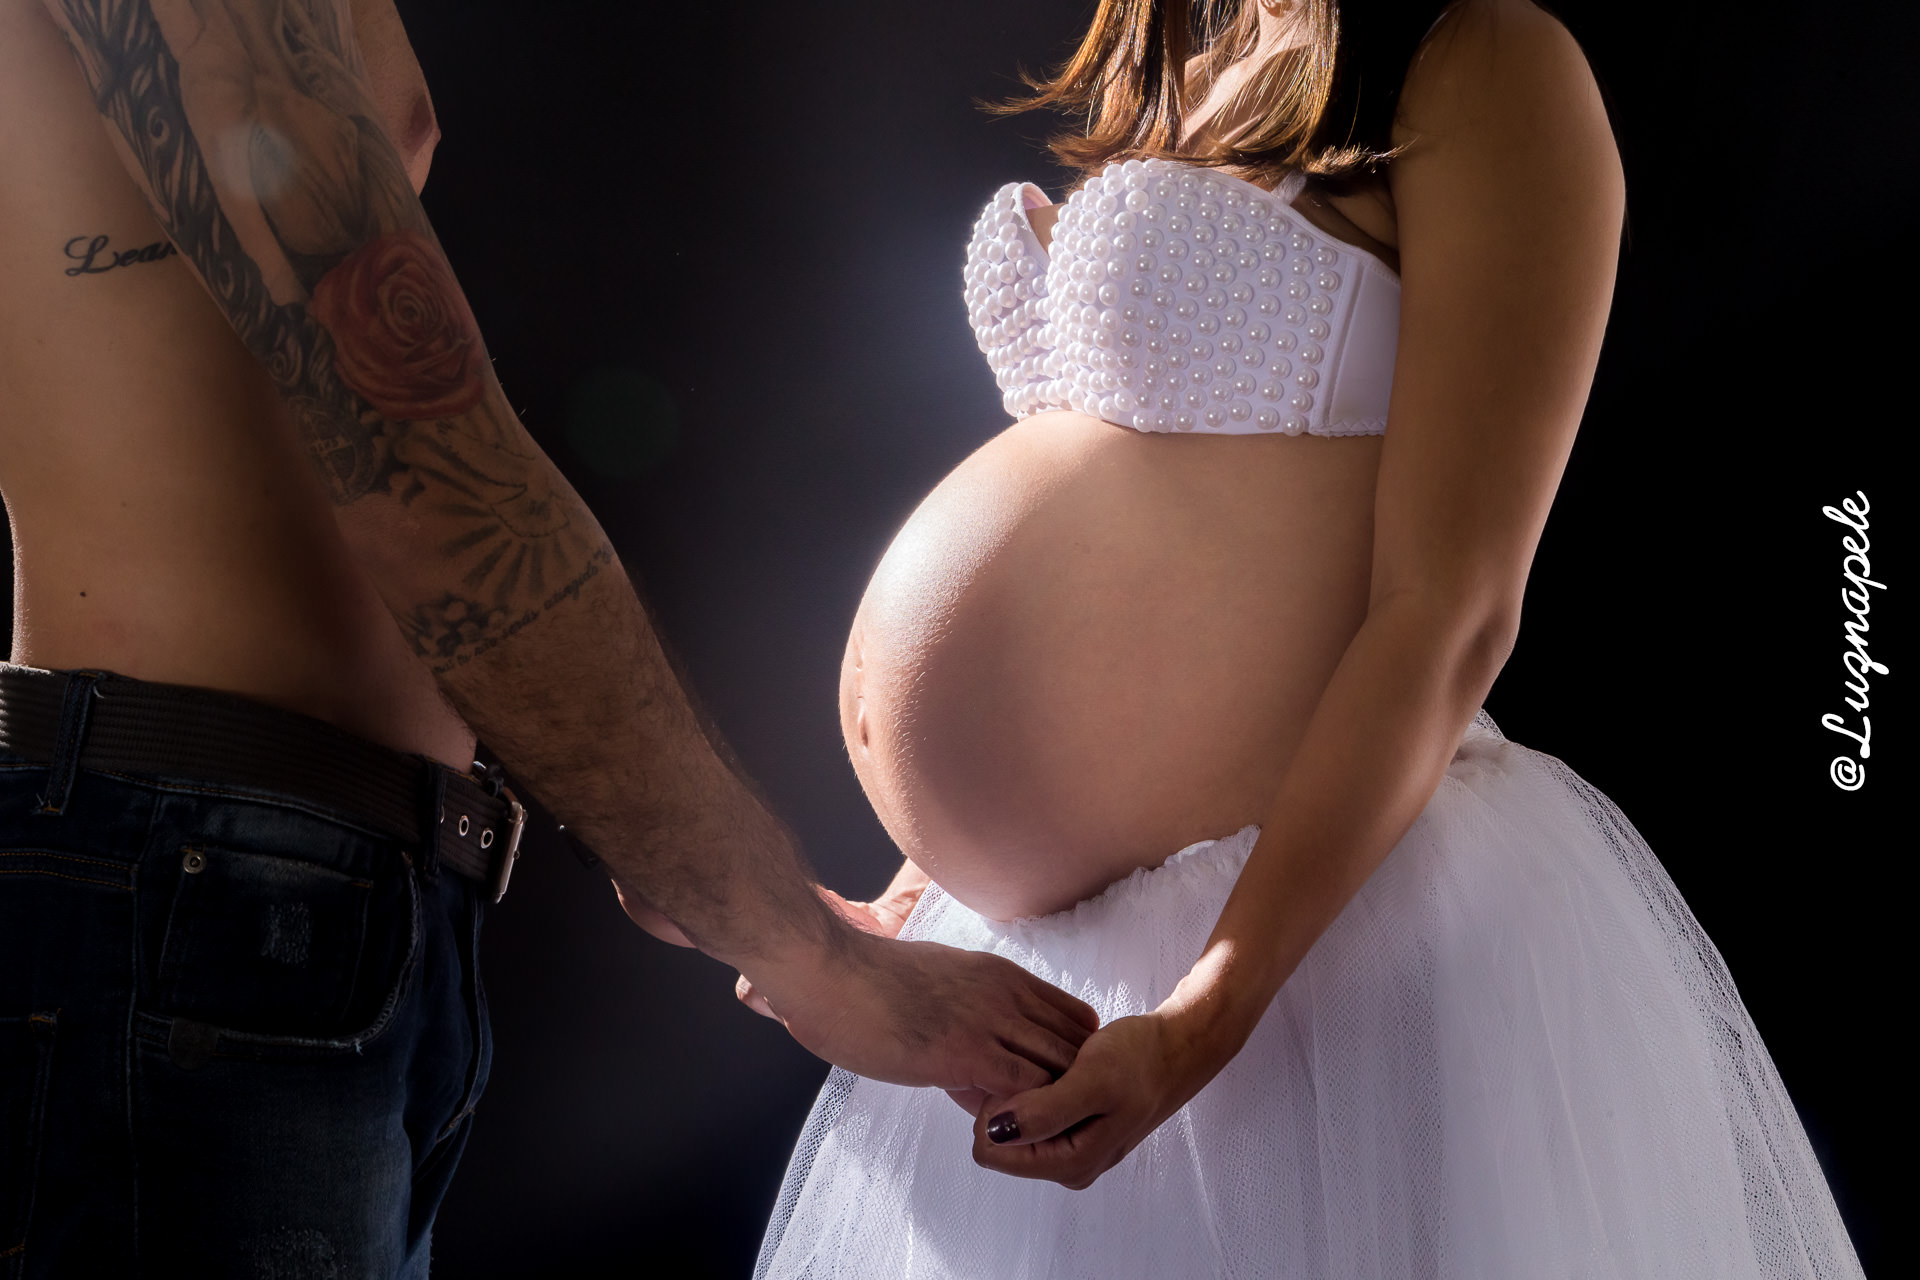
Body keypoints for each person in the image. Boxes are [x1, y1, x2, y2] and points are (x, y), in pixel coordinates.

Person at [752, 0, 1865, 1275]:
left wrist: (1205, 1016)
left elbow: (1454, 607)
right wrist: (928, 870)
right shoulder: (1210, 56)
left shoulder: (1484, 59)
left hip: (1297, 942)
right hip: (1054, 958)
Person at [0, 0, 1100, 1273]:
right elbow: (434, 470)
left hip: (312, 896)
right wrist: (808, 955)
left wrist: (673, 841)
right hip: (185, 890)